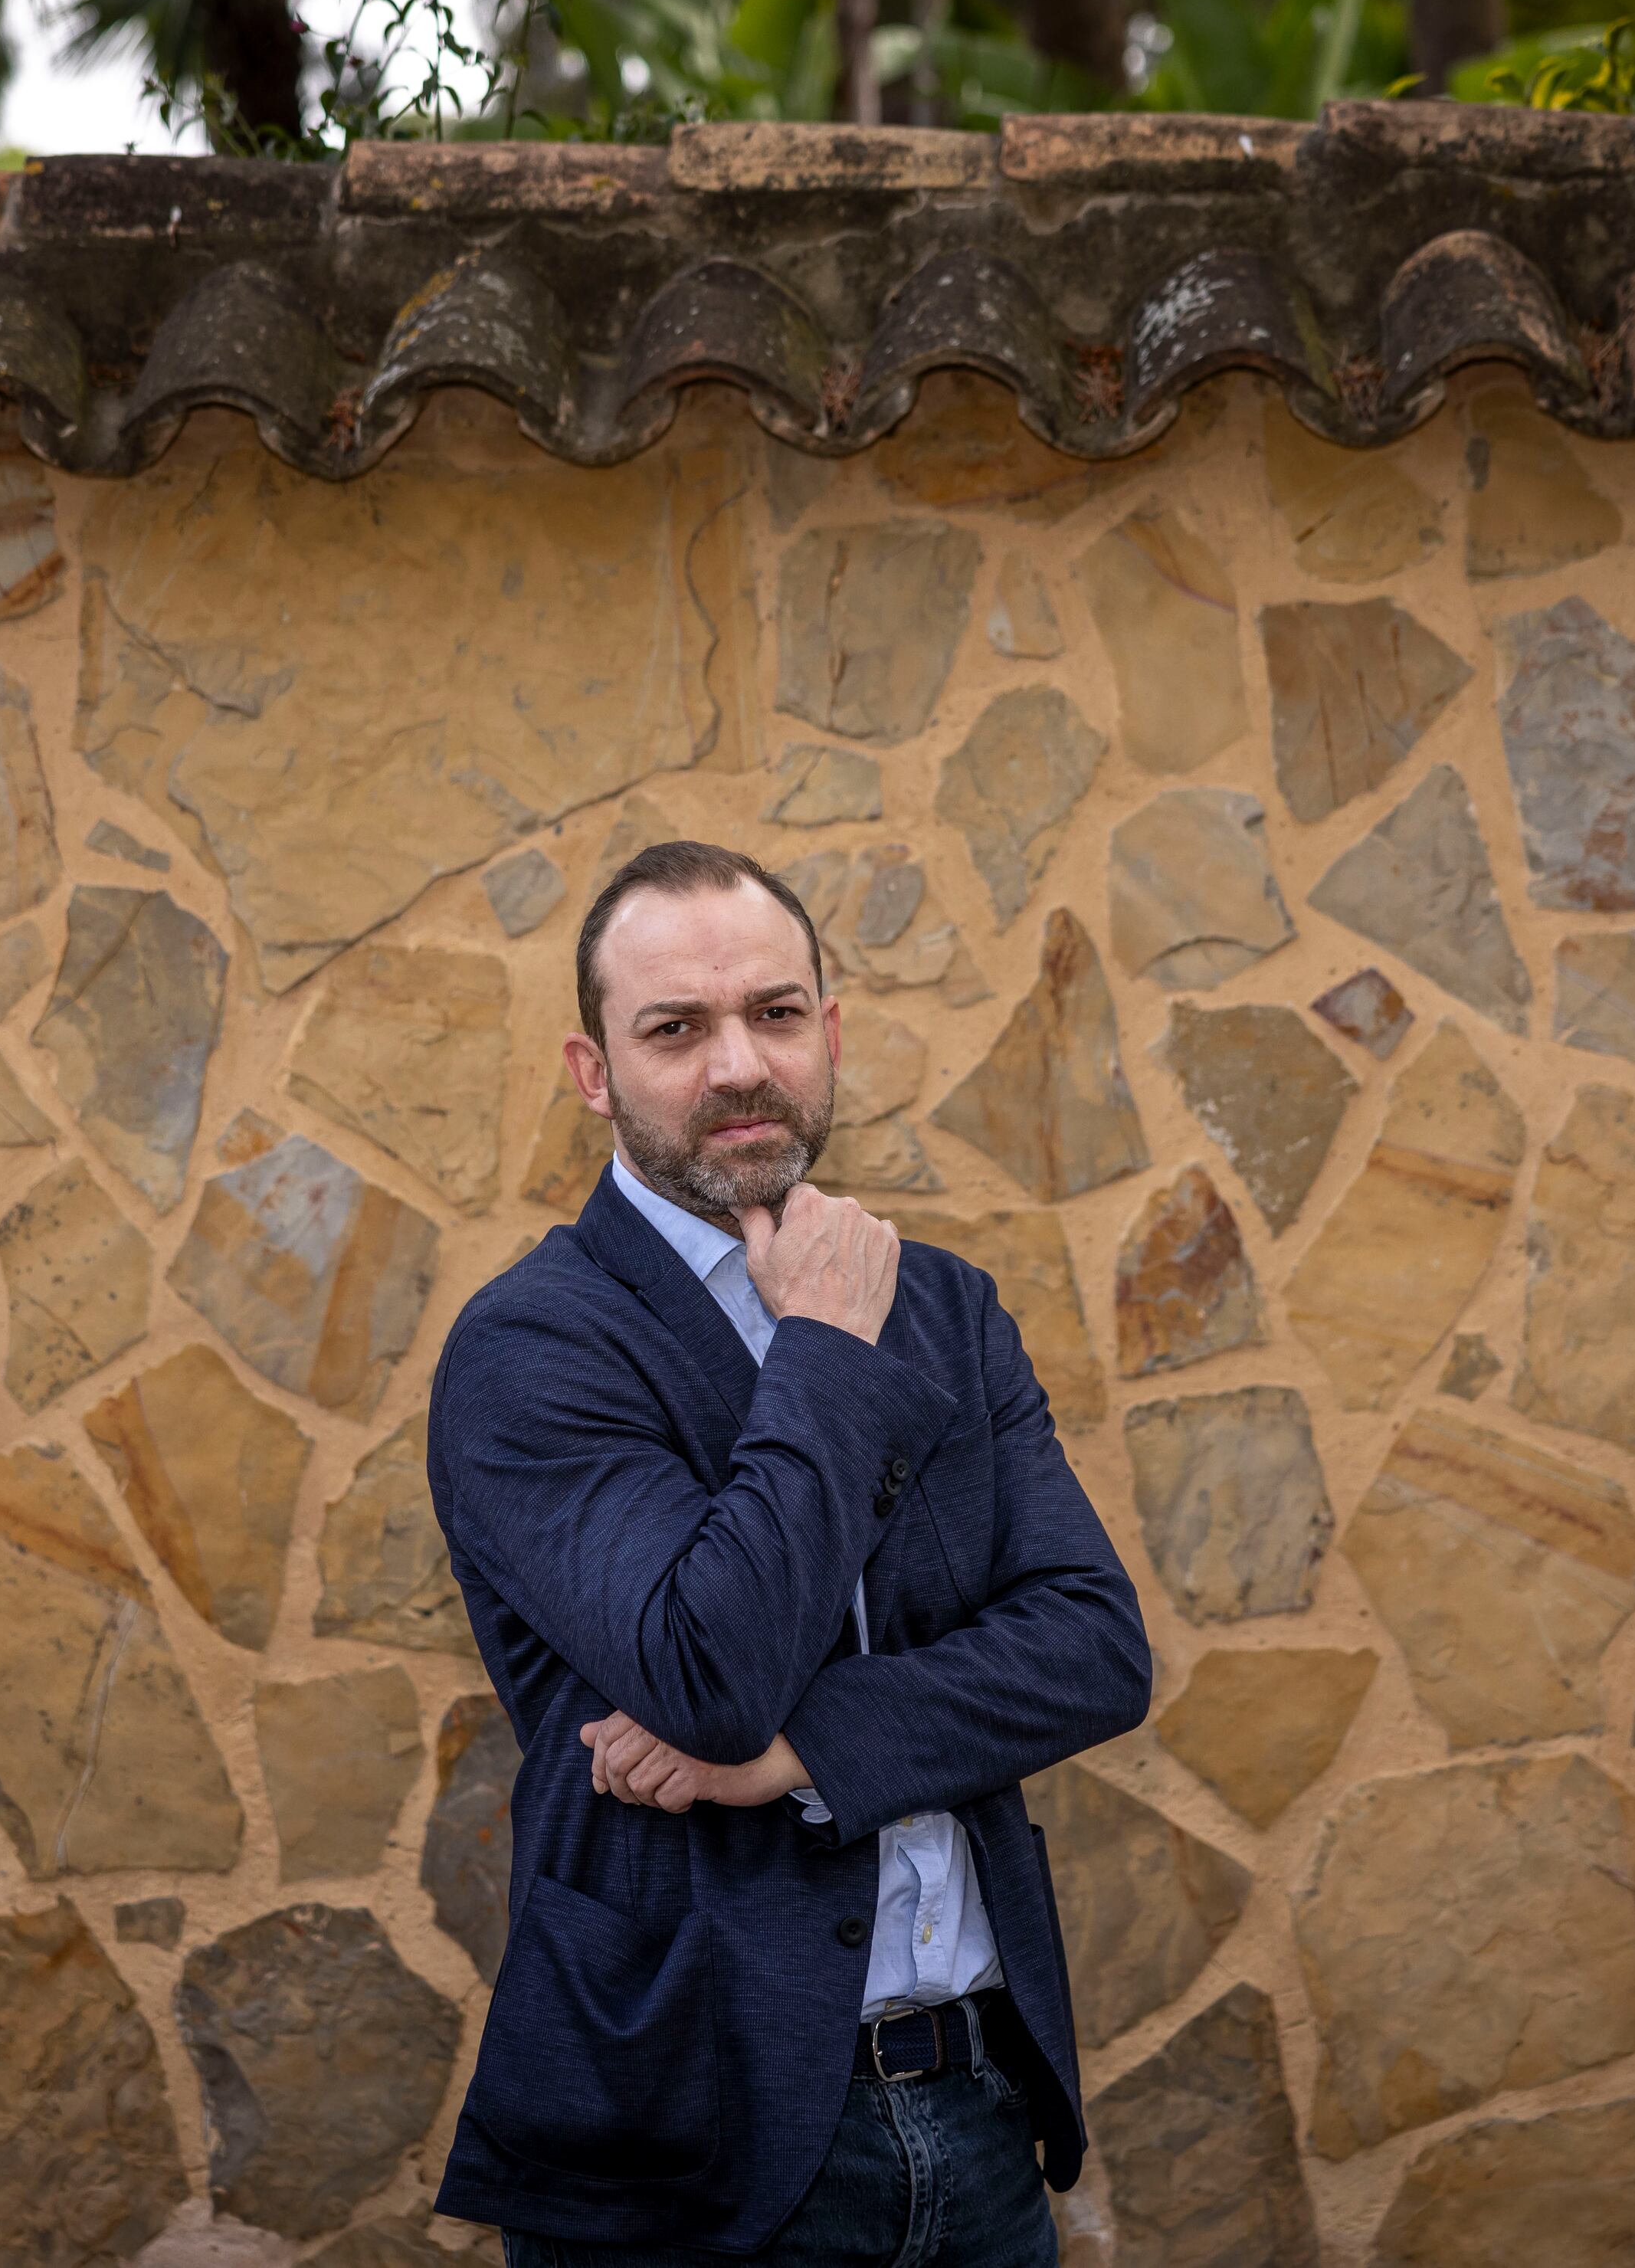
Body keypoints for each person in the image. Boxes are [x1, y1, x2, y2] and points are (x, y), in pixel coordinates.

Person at [427, 837, 1153, 2264]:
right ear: (596, 1073)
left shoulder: (943, 1306)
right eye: (676, 1030)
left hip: (980, 2103)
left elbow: (1094, 1648)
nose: (738, 1068)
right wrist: (822, 1345)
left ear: (830, 1032)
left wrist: (796, 1755)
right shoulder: (531, 1348)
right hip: (699, 2140)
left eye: (772, 1015)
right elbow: (706, 1672)